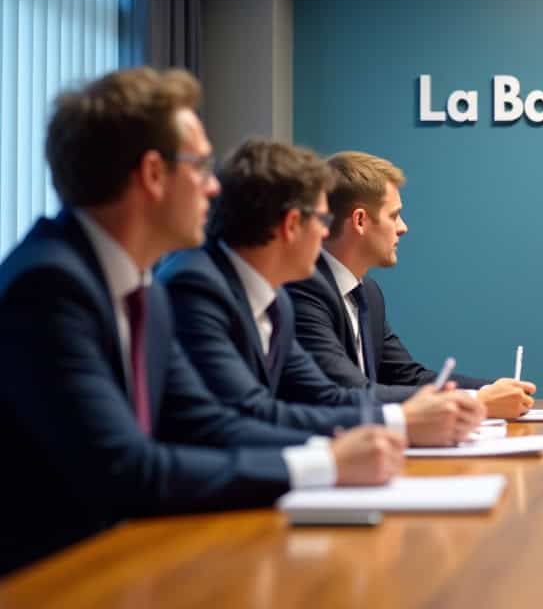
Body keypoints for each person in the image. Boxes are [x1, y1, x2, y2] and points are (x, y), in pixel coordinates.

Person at [0, 69, 402, 574]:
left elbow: (209, 423)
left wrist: (346, 449)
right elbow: (126, 469)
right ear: (153, 174)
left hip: (128, 559)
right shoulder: (49, 286)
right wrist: (324, 463)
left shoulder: (144, 290)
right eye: (200, 166)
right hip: (51, 578)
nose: (214, 188)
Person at [157, 139, 483, 446]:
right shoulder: (195, 285)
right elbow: (251, 412)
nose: (327, 232)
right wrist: (399, 422)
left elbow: (326, 396)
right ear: (292, 225)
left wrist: (417, 414)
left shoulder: (277, 301)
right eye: (322, 219)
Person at [286, 151, 535, 418]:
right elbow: (348, 391)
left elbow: (406, 376)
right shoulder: (303, 289)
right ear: (360, 221)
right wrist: (476, 400)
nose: (403, 228)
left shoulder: (368, 293)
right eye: (394, 215)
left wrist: (491, 391)